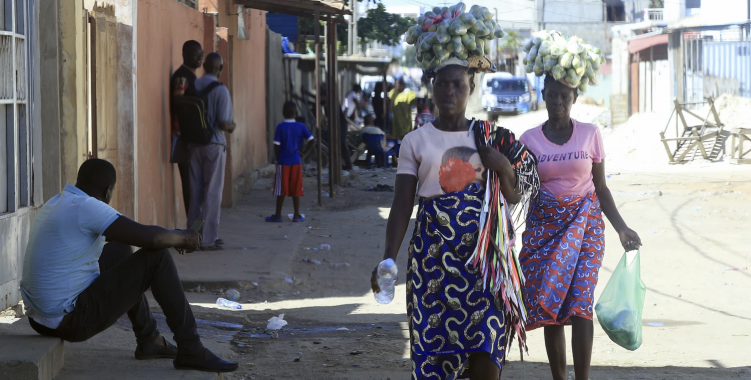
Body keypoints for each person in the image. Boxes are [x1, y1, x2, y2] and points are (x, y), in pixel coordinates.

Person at [371, 57, 535, 380]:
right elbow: (403, 204)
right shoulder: (414, 141)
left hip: (485, 263)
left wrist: (501, 166)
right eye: (442, 83)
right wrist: (387, 259)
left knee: (487, 348)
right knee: (435, 356)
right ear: (432, 87)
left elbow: (515, 196)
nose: (449, 91)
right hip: (432, 264)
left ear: (471, 88)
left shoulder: (491, 137)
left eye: (458, 84)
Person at [20, 159, 238, 373]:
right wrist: (182, 238)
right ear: (108, 191)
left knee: (121, 250)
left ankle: (150, 339)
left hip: (39, 319)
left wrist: (175, 236)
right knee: (157, 257)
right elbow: (149, 238)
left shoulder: (59, 201)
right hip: (68, 320)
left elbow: (136, 235)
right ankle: (191, 348)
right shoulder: (88, 207)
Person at [518, 75, 642, 380]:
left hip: (586, 229)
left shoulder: (590, 135)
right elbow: (520, 189)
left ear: (574, 98)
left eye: (565, 96)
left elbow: (600, 186)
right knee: (552, 305)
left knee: (580, 302)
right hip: (544, 232)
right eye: (552, 96)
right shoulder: (529, 140)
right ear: (543, 95)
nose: (558, 103)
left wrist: (621, 228)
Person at [187, 52, 236, 251]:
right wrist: (232, 126)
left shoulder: (193, 85)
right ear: (219, 69)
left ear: (204, 66)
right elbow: (224, 123)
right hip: (214, 145)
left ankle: (192, 236)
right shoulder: (221, 90)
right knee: (212, 193)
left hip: (193, 145)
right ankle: (207, 239)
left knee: (196, 194)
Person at [170, 40, 204, 219]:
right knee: (190, 185)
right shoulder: (182, 77)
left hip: (192, 137)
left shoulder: (192, 77)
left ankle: (197, 230)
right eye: (195, 54)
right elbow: (179, 105)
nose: (199, 58)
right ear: (184, 55)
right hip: (183, 137)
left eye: (201, 54)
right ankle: (194, 230)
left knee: (196, 185)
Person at [266, 101, 315, 223]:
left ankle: (278, 215)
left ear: (283, 113)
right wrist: (303, 153)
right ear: (296, 113)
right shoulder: (301, 126)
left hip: (283, 162)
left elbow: (276, 145)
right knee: (296, 188)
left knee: (281, 189)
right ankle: (297, 215)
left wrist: (278, 158)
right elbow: (312, 140)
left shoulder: (280, 127)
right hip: (296, 162)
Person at [339, 84, 364, 171]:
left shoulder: (349, 93)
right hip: (344, 118)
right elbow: (358, 105)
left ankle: (346, 164)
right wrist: (364, 103)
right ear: (358, 90)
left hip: (344, 117)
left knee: (342, 142)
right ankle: (348, 165)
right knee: (343, 143)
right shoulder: (353, 94)